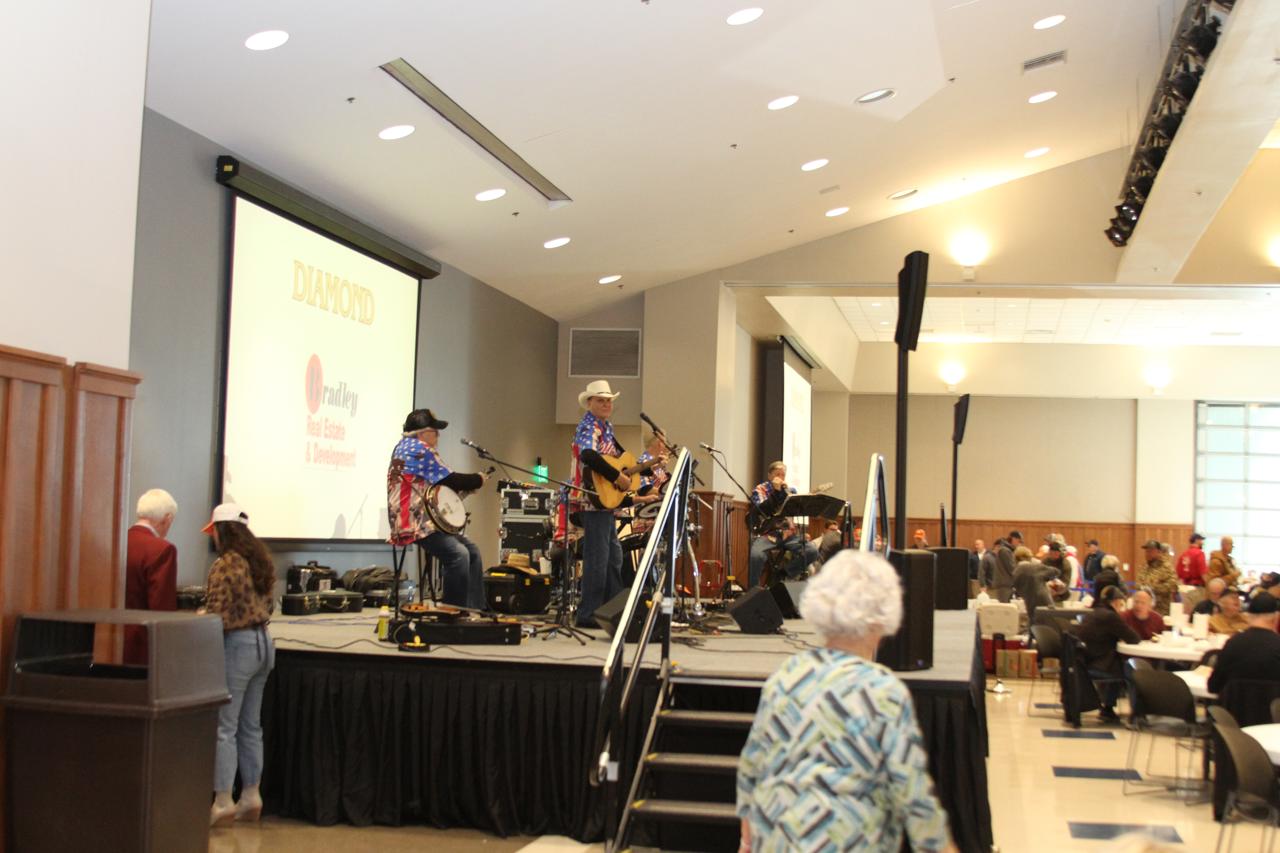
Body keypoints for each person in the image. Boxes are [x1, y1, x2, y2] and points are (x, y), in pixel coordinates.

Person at [736, 551, 957, 853]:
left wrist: (747, 841)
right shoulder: (882, 690)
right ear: (882, 617)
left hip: (778, 838)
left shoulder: (786, 676)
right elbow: (913, 793)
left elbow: (752, 766)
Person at [201, 503, 275, 827]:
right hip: (264, 644)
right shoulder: (259, 561)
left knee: (225, 727)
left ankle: (222, 802)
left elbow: (217, 611)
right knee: (250, 726)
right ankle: (251, 795)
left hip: (238, 647)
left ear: (221, 531)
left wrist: (200, 616)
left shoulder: (226, 564)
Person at [570, 380, 658, 626]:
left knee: (613, 557)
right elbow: (588, 455)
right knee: (598, 559)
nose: (606, 404)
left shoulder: (607, 427)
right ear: (589, 403)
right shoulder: (589, 426)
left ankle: (611, 609)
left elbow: (620, 462)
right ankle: (588, 613)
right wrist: (615, 477)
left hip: (605, 502)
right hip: (592, 499)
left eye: (608, 400)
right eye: (601, 400)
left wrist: (648, 467)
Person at [387, 408, 489, 609]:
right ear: (423, 432)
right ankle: (454, 611)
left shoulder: (402, 447)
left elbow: (437, 484)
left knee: (472, 551)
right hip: (415, 523)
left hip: (412, 520)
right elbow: (451, 479)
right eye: (435, 431)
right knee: (459, 555)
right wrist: (478, 479)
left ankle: (473, 609)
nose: (438, 436)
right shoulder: (419, 449)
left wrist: (467, 486)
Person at [124, 488, 179, 665]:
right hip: (142, 644)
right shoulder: (162, 549)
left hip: (107, 640)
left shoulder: (116, 541)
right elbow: (161, 606)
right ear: (167, 518)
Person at [1075, 585, 1141, 724]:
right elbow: (1134, 638)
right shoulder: (1110, 616)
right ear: (1115, 602)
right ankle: (1136, 712)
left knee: (1119, 664)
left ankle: (1108, 709)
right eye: (1121, 604)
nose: (1121, 608)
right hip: (1097, 663)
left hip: (1084, 660)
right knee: (1130, 671)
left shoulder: (1094, 612)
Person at [747, 461, 818, 588]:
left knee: (811, 551)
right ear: (769, 476)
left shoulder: (790, 491)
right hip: (767, 534)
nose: (780, 477)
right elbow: (762, 510)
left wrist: (807, 501)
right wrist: (776, 492)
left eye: (783, 475)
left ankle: (783, 574)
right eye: (777, 474)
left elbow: (795, 511)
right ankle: (753, 590)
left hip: (789, 535)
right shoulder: (760, 490)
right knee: (756, 556)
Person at [1207, 593, 1280, 696]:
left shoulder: (1233, 643)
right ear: (1276, 617)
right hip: (1273, 706)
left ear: (1249, 616)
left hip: (1233, 705)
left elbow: (1213, 686)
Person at [1012, 546, 1059, 627]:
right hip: (1043, 600)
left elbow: (1017, 589)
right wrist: (1047, 579)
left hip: (1029, 601)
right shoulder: (1035, 566)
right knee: (1049, 624)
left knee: (1034, 624)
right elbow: (1055, 571)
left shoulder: (1015, 572)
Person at [1137, 539, 1178, 616]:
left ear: (1159, 552)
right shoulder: (1145, 567)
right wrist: (1141, 588)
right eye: (1146, 551)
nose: (1148, 554)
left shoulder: (1167, 567)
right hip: (1145, 609)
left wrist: (1153, 589)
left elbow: (1173, 586)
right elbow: (1138, 583)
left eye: (1151, 551)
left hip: (1161, 610)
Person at [991, 531, 1022, 603]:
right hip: (1004, 585)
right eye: (1019, 541)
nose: (1019, 544)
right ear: (1013, 539)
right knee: (1005, 607)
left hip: (1006, 585)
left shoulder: (1007, 550)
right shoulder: (1005, 550)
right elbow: (1012, 568)